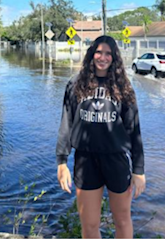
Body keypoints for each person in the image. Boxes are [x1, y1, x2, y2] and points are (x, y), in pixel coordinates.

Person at [55, 35, 146, 238]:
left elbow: (134, 130)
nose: (102, 57)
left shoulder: (123, 87)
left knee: (122, 220)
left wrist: (138, 170)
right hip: (85, 161)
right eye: (99, 52)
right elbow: (66, 124)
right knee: (90, 225)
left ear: (114, 58)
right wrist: (62, 162)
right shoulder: (75, 84)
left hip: (116, 159)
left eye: (108, 54)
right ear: (91, 54)